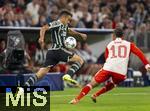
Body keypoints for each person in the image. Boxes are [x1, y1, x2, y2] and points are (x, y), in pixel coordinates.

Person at [70, 27, 150, 104]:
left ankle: (77, 99)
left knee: (92, 84)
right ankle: (96, 95)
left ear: (114, 36)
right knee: (113, 83)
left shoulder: (110, 44)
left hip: (108, 68)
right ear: (123, 36)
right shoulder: (129, 44)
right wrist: (146, 65)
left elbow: (106, 57)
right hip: (121, 72)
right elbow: (139, 53)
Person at [17, 9, 87, 94]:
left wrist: (80, 34)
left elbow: (69, 31)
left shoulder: (64, 26)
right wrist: (41, 38)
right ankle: (68, 75)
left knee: (41, 73)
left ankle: (23, 89)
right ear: (63, 17)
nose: (69, 22)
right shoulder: (57, 23)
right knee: (80, 60)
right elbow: (44, 28)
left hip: (51, 53)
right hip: (58, 50)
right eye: (68, 19)